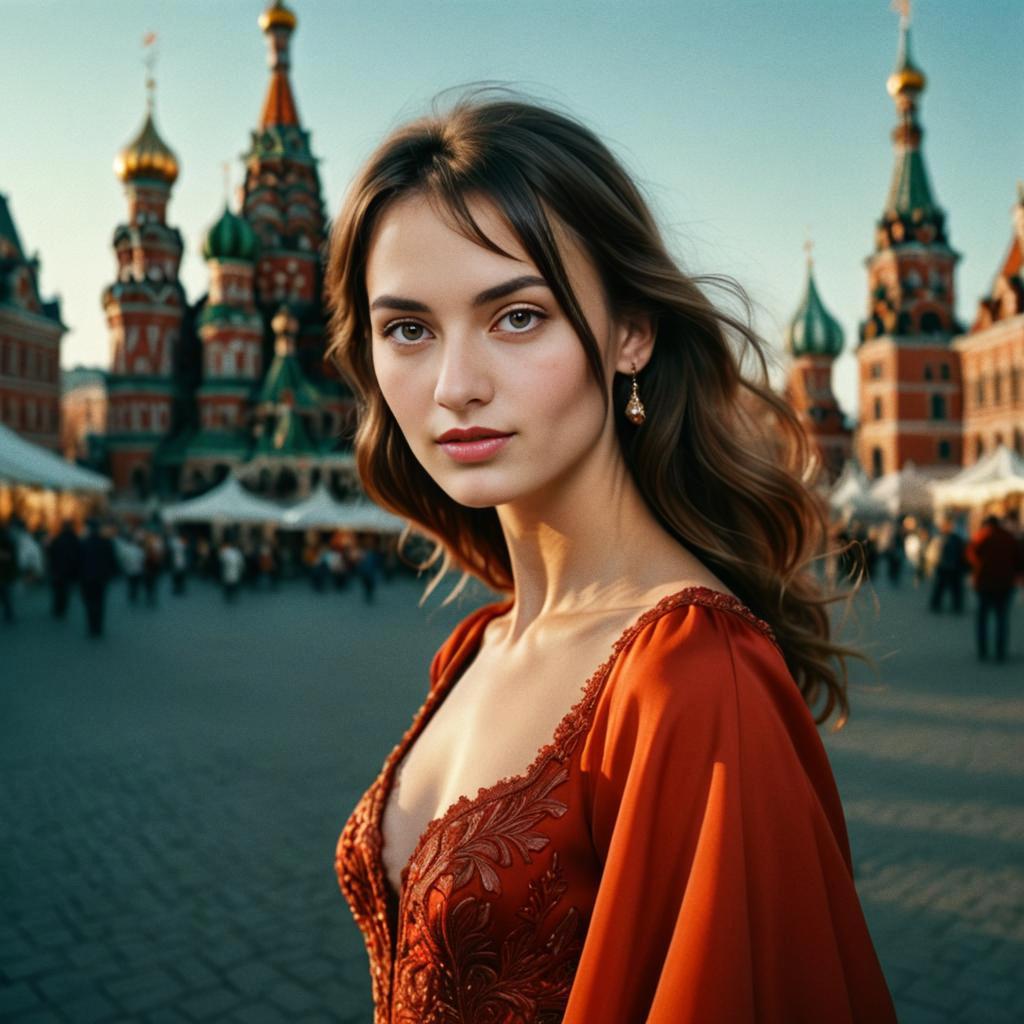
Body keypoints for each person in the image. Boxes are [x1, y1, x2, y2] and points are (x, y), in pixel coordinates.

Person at [326, 95, 896, 1022]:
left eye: (516, 317)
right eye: (409, 329)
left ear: (631, 331)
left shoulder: (696, 679)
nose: (454, 386)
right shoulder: (476, 644)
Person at [966, 513, 1022, 662]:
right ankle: (1000, 651)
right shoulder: (1008, 537)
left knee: (983, 618)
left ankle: (983, 650)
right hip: (1005, 583)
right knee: (1001, 618)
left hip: (985, 583)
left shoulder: (981, 536)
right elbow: (1018, 559)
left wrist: (981, 566)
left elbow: (971, 555)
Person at [79, 518, 118, 637]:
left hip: (87, 577)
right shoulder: (106, 542)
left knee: (90, 602)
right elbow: (112, 560)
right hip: (101, 577)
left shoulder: (84, 543)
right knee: (100, 602)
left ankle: (92, 626)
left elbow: (78, 561)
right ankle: (98, 627)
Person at [929, 517, 966, 614]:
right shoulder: (939, 538)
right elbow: (933, 553)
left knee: (954, 589)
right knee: (941, 588)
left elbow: (962, 553)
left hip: (952, 567)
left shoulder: (956, 539)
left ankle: (956, 606)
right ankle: (936, 605)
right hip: (944, 567)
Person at [47, 519, 80, 619]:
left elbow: (51, 554)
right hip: (69, 571)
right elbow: (78, 556)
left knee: (58, 591)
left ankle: (58, 608)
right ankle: (62, 608)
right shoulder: (75, 539)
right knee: (65, 591)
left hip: (57, 570)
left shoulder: (57, 539)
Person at [0, 521, 17, 623]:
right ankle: (9, 613)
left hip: (4, 572)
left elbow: (9, 556)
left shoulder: (6, 539)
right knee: (5, 594)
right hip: (5, 572)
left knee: (5, 594)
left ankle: (9, 613)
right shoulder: (7, 538)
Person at [218, 536, 245, 602]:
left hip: (229, 570)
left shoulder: (226, 552)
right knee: (233, 583)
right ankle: (233, 595)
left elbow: (221, 560)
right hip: (233, 570)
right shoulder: (236, 552)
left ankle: (229, 596)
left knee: (229, 584)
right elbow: (241, 562)